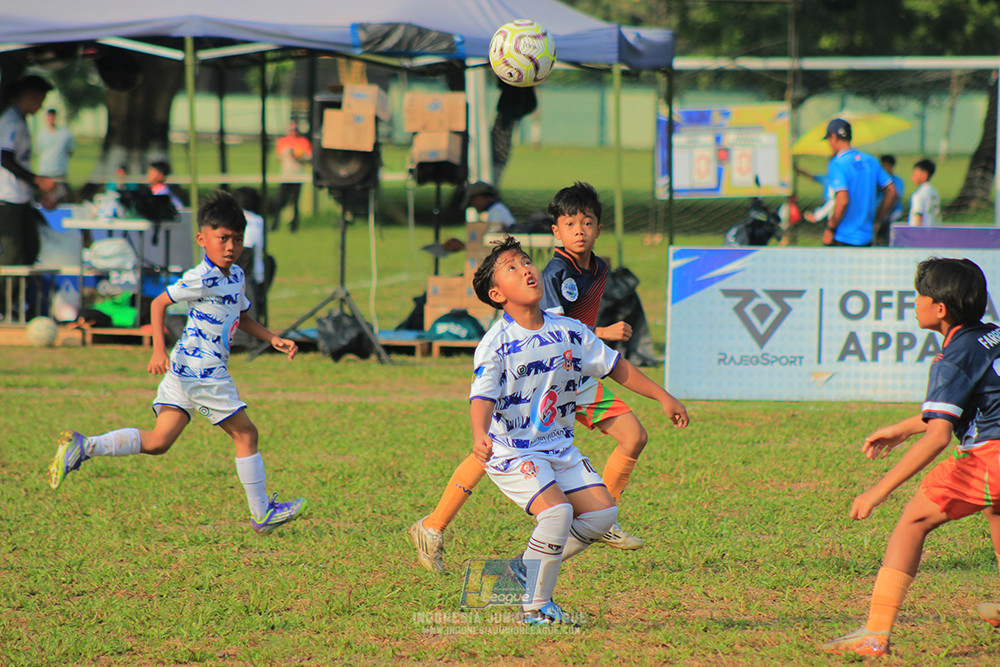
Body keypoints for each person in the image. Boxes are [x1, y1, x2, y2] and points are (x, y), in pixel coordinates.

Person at [409, 183, 662, 572]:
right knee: (499, 443)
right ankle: (435, 526)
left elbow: (568, 334)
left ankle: (596, 515)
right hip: (549, 371)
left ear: (598, 228)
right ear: (556, 231)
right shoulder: (555, 272)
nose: (580, 230)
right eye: (570, 223)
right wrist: (604, 334)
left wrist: (659, 392)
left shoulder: (598, 268)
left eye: (588, 222)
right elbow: (551, 328)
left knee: (633, 436)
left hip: (573, 374)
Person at [47, 190, 305, 534]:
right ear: (202, 239)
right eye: (223, 238)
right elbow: (158, 303)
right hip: (203, 371)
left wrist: (272, 337)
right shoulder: (201, 276)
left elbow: (240, 316)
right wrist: (157, 349)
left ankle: (84, 445)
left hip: (186, 369)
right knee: (247, 435)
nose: (231, 246)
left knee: (158, 442)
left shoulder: (236, 276)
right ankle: (262, 514)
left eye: (237, 239)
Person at [467, 236, 688, 624]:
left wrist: (663, 396)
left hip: (558, 446)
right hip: (514, 451)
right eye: (512, 268)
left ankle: (523, 568)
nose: (526, 270)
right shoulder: (495, 343)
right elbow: (481, 395)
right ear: (497, 293)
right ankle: (535, 610)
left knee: (602, 517)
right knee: (558, 514)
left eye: (525, 262)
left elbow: (616, 367)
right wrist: (479, 433)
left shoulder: (569, 329)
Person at [822, 258, 1000, 657]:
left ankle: (875, 634)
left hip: (991, 457)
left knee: (912, 522)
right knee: (998, 510)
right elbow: (981, 400)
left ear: (940, 309)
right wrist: (904, 427)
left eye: (919, 295)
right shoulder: (993, 335)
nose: (913, 302)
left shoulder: (951, 359)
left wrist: (878, 490)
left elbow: (938, 436)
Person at [0, 75, 56, 319]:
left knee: (31, 250)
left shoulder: (21, 121)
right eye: (40, 99)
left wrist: (37, 189)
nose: (41, 106)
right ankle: (3, 308)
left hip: (22, 198)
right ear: (29, 96)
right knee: (13, 255)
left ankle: (17, 304)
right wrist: (36, 180)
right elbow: (4, 157)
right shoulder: (10, 120)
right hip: (7, 197)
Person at [821, 119, 897, 247]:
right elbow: (892, 192)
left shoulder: (837, 163)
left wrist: (831, 229)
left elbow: (843, 200)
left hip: (843, 236)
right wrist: (876, 219)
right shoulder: (871, 161)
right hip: (867, 236)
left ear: (833, 137)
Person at [272, 121, 312, 233]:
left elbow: (308, 157)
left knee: (295, 202)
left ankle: (294, 226)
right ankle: (275, 223)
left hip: (298, 176)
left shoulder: (304, 142)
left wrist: (299, 157)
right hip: (285, 176)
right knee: (280, 200)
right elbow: (279, 156)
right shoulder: (283, 142)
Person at [35, 108, 74, 203]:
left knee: (63, 201)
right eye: (49, 116)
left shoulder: (65, 134)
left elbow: (70, 151)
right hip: (45, 173)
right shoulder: (41, 135)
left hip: (59, 174)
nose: (51, 119)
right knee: (45, 201)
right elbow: (37, 151)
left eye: (53, 116)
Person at [908, 159, 941, 227]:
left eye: (915, 174)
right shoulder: (934, 193)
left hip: (922, 233)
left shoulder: (918, 195)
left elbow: (918, 217)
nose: (913, 177)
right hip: (934, 231)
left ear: (924, 175)